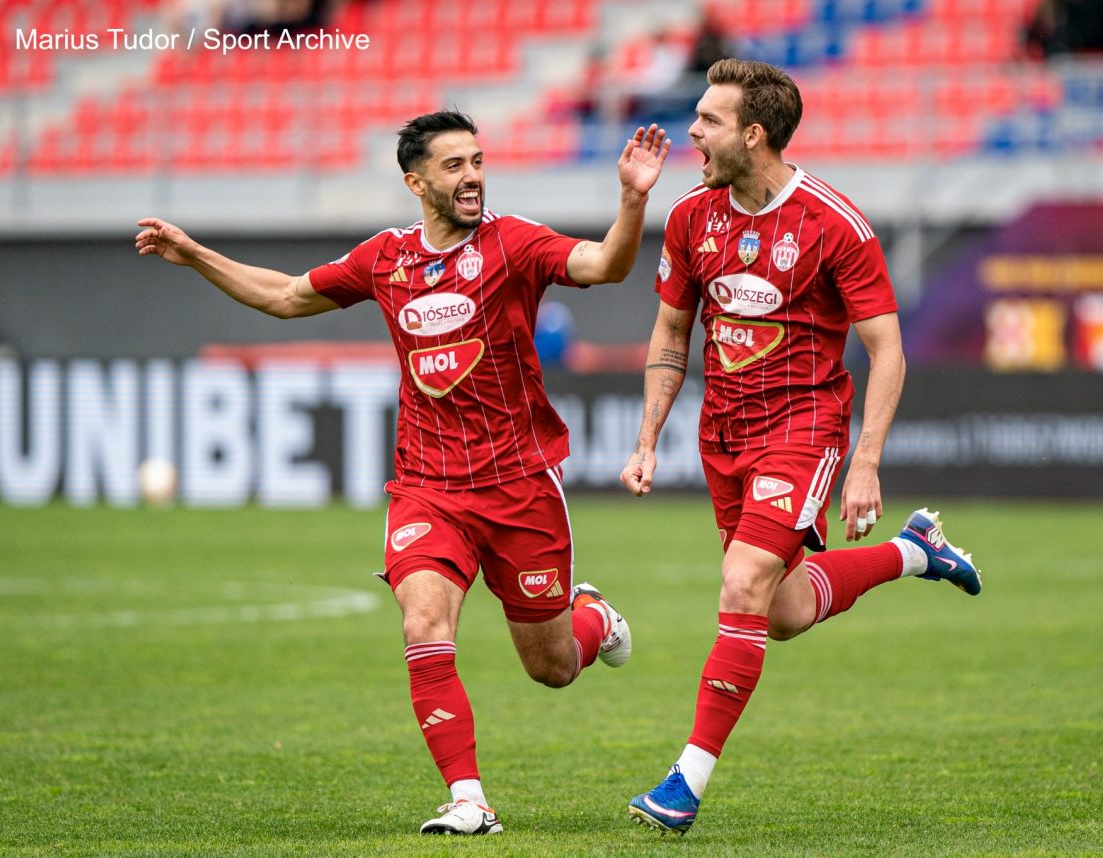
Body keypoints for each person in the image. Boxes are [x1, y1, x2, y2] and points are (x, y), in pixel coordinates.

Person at [135, 110, 671, 836]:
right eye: (454, 165)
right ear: (416, 181)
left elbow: (605, 265)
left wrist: (633, 200)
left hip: (519, 484)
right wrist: (195, 253)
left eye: (478, 160)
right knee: (424, 620)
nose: (473, 175)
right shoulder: (386, 258)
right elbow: (287, 296)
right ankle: (469, 799)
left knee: (551, 668)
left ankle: (592, 617)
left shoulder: (514, 243)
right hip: (428, 484)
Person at [618, 59, 982, 836]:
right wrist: (648, 438)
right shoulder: (690, 218)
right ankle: (916, 552)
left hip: (803, 429)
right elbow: (671, 335)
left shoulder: (834, 224)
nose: (692, 131)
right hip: (724, 436)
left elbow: (888, 351)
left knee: (743, 580)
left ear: (754, 134)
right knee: (778, 611)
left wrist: (866, 461)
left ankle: (685, 783)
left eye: (709, 121)